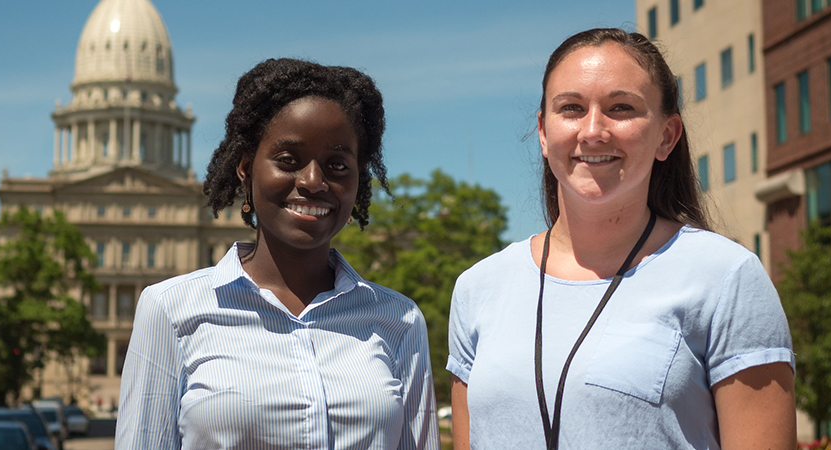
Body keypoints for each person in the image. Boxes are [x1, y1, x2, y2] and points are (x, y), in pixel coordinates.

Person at [447, 28, 796, 449]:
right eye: (571, 108)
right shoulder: (479, 288)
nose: (593, 130)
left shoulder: (726, 278)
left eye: (621, 108)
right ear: (543, 132)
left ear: (667, 136)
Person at [115, 58, 439, 449]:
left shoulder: (399, 320)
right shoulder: (170, 310)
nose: (313, 181)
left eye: (337, 165)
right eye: (288, 161)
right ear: (246, 168)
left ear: (358, 180)